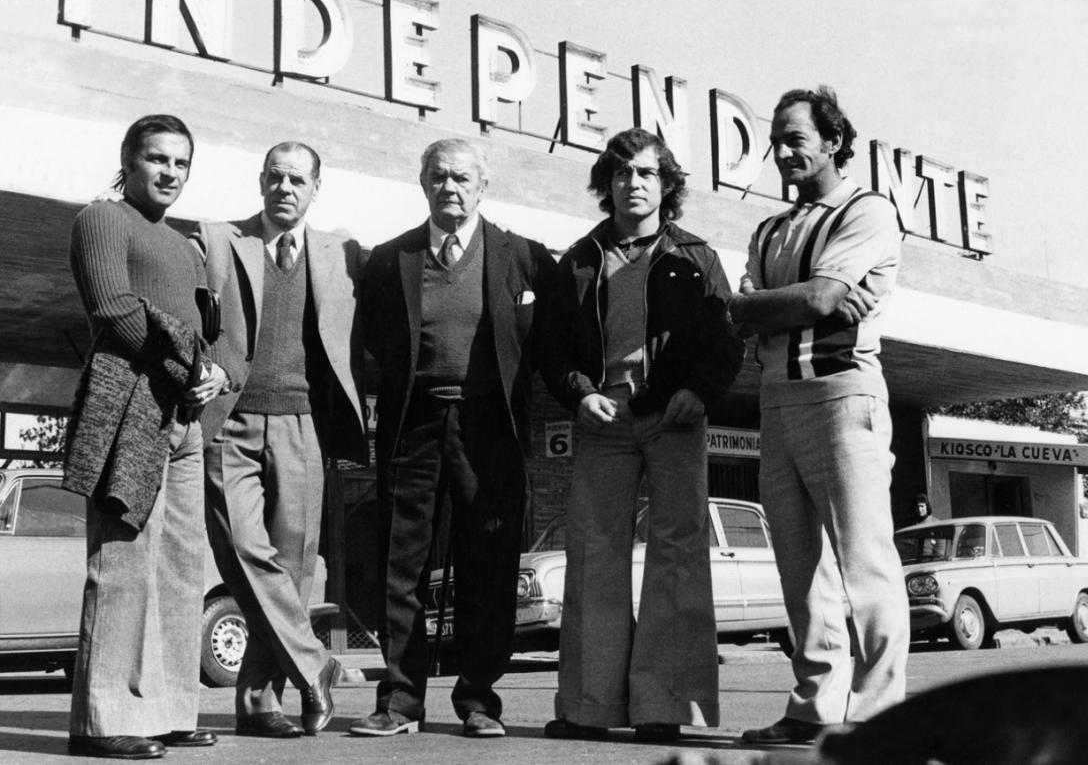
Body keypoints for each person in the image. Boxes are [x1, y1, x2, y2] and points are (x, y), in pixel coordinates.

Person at [541, 127, 743, 742]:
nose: (634, 183)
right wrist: (580, 393)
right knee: (593, 558)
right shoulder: (577, 259)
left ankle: (666, 708)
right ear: (607, 183)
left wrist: (698, 392)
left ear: (667, 185)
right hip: (605, 423)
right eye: (623, 172)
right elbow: (547, 347)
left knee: (678, 559)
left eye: (648, 173)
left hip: (674, 419)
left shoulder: (696, 257)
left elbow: (725, 341)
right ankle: (588, 707)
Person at [352, 138, 556, 739]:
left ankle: (477, 701)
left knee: (487, 565)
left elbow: (543, 342)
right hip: (413, 423)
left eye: (463, 178)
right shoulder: (391, 260)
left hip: (489, 426)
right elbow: (376, 344)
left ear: (483, 186)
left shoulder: (524, 257)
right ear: (423, 184)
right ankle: (400, 700)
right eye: (439, 177)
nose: (451, 187)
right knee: (401, 564)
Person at [728, 86, 909, 745]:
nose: (782, 152)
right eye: (776, 139)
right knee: (801, 569)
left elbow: (820, 295)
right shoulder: (771, 227)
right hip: (778, 399)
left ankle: (879, 719)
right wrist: (795, 301)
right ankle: (814, 709)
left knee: (864, 563)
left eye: (796, 138)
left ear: (833, 141)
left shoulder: (869, 210)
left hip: (841, 394)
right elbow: (750, 307)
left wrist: (792, 300)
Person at [63, 114, 226, 759]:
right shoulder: (103, 219)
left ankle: (168, 709)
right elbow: (112, 307)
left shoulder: (186, 245)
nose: (169, 173)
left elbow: (199, 327)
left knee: (182, 568)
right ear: (128, 161)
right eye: (157, 159)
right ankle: (107, 720)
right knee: (123, 564)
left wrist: (208, 372)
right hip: (128, 403)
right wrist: (193, 361)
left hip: (183, 414)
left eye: (181, 164)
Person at [197, 142, 367, 737]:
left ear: (316, 187)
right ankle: (315, 666)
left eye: (298, 179)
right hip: (232, 418)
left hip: (304, 424)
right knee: (244, 549)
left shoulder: (342, 252)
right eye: (275, 176)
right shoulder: (219, 240)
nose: (285, 188)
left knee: (293, 565)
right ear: (260, 181)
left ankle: (257, 703)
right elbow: (184, 307)